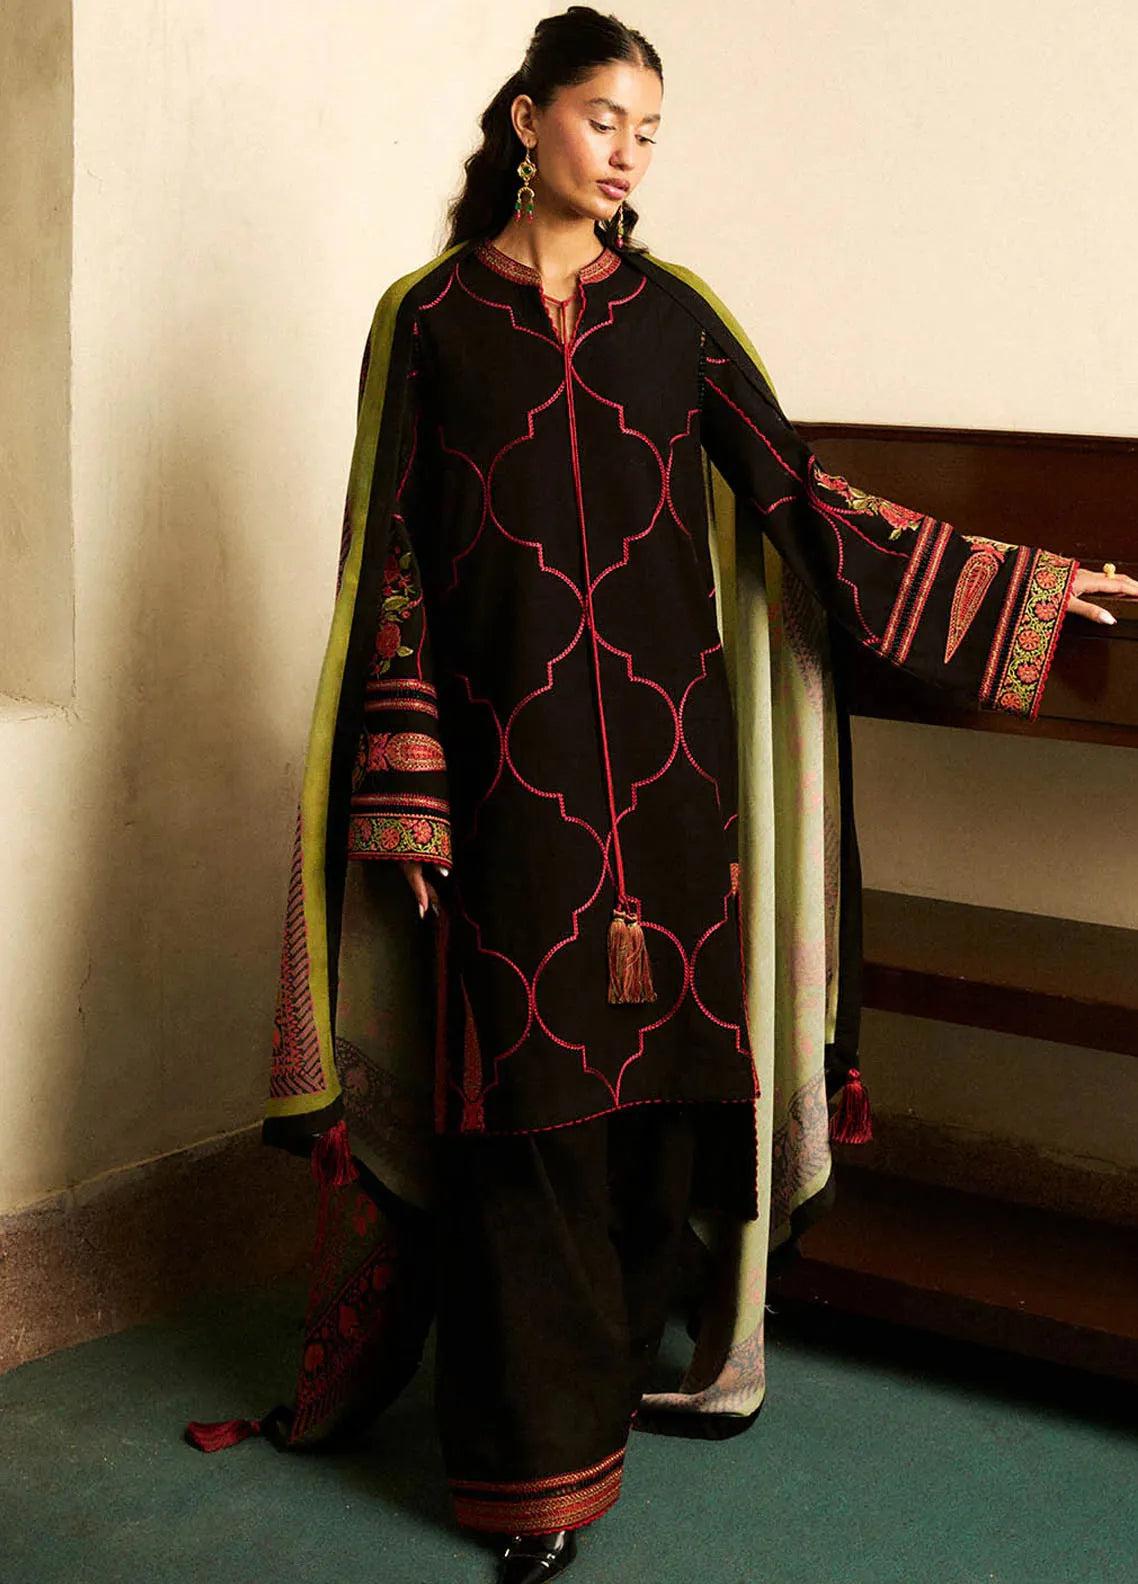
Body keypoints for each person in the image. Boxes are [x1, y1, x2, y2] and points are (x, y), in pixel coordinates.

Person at [188, 8, 1137, 1581]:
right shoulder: (426, 321)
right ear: (525, 119)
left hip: (674, 781)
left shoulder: (674, 317)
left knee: (658, 1116)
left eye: (647, 129)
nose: (627, 152)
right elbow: (396, 560)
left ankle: (620, 1375)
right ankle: (529, 1476)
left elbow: (805, 502)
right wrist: (407, 788)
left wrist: (1027, 585)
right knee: (524, 1117)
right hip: (512, 784)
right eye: (602, 118)